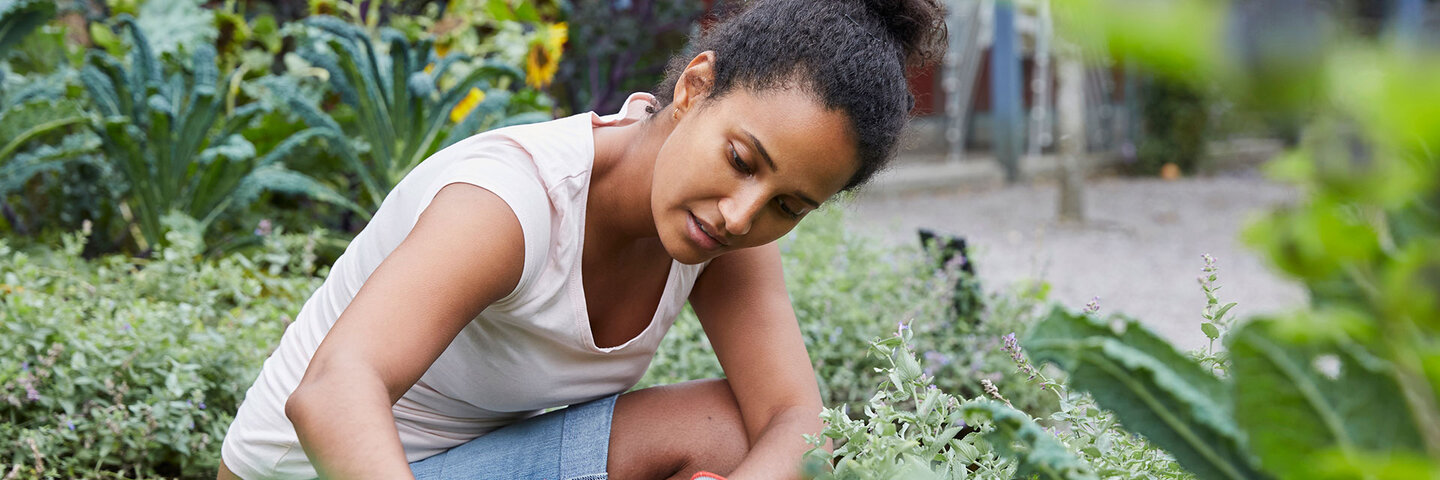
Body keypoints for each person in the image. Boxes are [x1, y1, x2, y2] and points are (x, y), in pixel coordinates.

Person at [217, 0, 945, 478]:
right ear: (694, 88)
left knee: (734, 434)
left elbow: (794, 416)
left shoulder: (724, 231)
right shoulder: (512, 202)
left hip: (470, 462)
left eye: (789, 203)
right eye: (741, 160)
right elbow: (332, 392)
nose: (741, 216)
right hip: (316, 467)